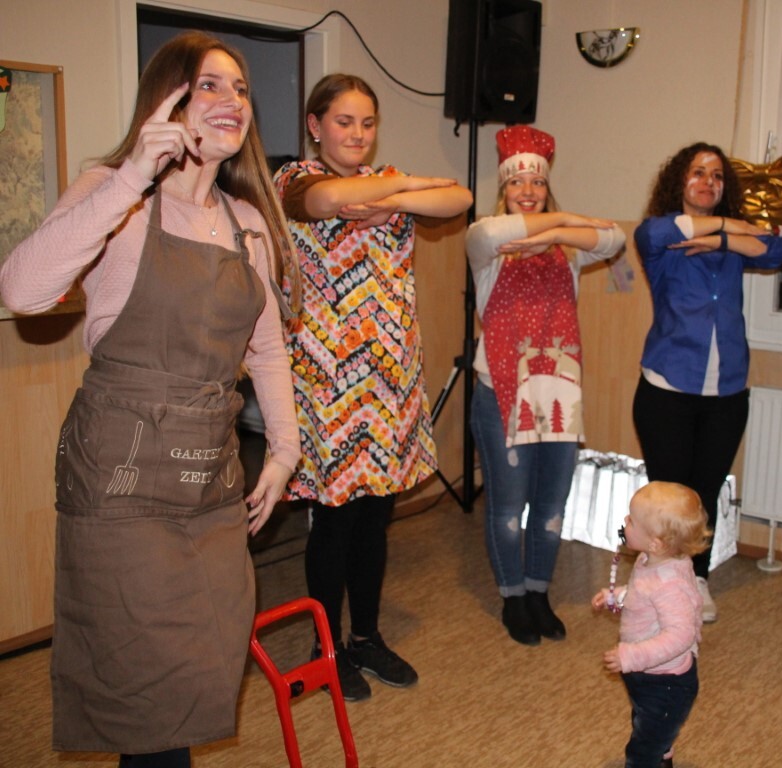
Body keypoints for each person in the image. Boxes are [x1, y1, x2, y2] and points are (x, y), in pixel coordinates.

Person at [0, 32, 300, 768]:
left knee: (203, 661)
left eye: (240, 88)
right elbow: (22, 291)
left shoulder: (248, 223)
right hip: (122, 485)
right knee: (145, 687)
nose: (232, 100)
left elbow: (266, 349)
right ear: (167, 99)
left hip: (209, 482)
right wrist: (133, 173)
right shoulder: (116, 194)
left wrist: (285, 450)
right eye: (210, 85)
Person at [274, 74, 472, 700]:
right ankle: (326, 647)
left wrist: (394, 192)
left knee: (374, 517)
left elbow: (461, 197)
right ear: (315, 126)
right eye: (343, 122)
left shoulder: (384, 177)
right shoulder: (292, 180)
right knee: (334, 520)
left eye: (367, 123)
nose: (357, 134)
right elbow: (328, 199)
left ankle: (365, 636)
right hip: (327, 384)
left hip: (389, 379)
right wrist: (399, 193)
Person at [467, 125, 625, 646]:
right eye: (517, 182)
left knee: (552, 507)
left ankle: (538, 591)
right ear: (503, 188)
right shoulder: (487, 242)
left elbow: (615, 239)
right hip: (501, 391)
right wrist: (560, 223)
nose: (528, 191)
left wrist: (555, 231)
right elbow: (491, 234)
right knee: (508, 509)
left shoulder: (567, 251)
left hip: (558, 391)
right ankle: (512, 596)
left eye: (537, 182)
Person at [632, 142, 782, 623]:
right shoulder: (660, 235)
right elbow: (658, 231)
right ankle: (662, 581)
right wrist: (730, 228)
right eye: (698, 172)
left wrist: (720, 241)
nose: (708, 182)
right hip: (668, 388)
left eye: (717, 175)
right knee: (670, 499)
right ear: (679, 180)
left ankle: (696, 578)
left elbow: (776, 248)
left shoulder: (727, 242)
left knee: (704, 493)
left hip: (727, 392)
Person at [592, 481, 709, 768]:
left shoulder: (671, 584)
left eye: (631, 520)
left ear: (656, 542)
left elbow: (681, 635)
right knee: (648, 724)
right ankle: (662, 754)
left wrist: (632, 656)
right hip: (647, 675)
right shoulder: (651, 559)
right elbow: (644, 595)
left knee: (642, 749)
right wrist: (618, 596)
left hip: (665, 683)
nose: (625, 522)